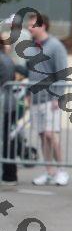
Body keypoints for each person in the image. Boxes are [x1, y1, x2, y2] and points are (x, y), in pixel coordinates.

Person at [27, 13, 70, 186]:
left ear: (43, 25)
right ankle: (49, 171)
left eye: (32, 25)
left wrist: (57, 96)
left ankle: (62, 170)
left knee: (51, 135)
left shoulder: (55, 46)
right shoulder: (31, 47)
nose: (29, 28)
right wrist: (28, 95)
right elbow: (30, 72)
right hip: (35, 99)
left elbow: (62, 73)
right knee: (42, 136)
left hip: (50, 99)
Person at [0, 35, 18, 184]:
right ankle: (9, 174)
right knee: (7, 139)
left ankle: (9, 174)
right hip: (8, 103)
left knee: (6, 140)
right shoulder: (7, 58)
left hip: (3, 105)